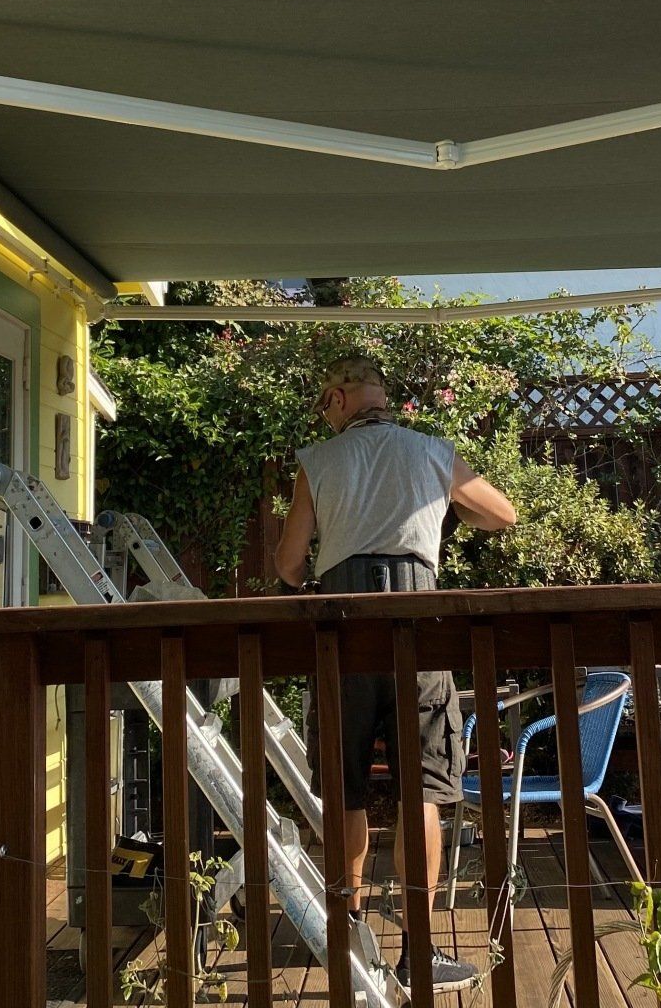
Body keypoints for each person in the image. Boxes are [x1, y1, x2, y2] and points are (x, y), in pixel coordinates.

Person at [274, 355, 519, 997]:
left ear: (337, 397)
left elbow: (289, 563)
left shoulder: (317, 460)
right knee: (424, 792)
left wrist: (315, 574)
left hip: (342, 628)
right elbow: (502, 513)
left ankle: (348, 939)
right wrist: (452, 514)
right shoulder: (433, 451)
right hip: (418, 628)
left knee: (346, 789)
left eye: (325, 403)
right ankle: (418, 953)